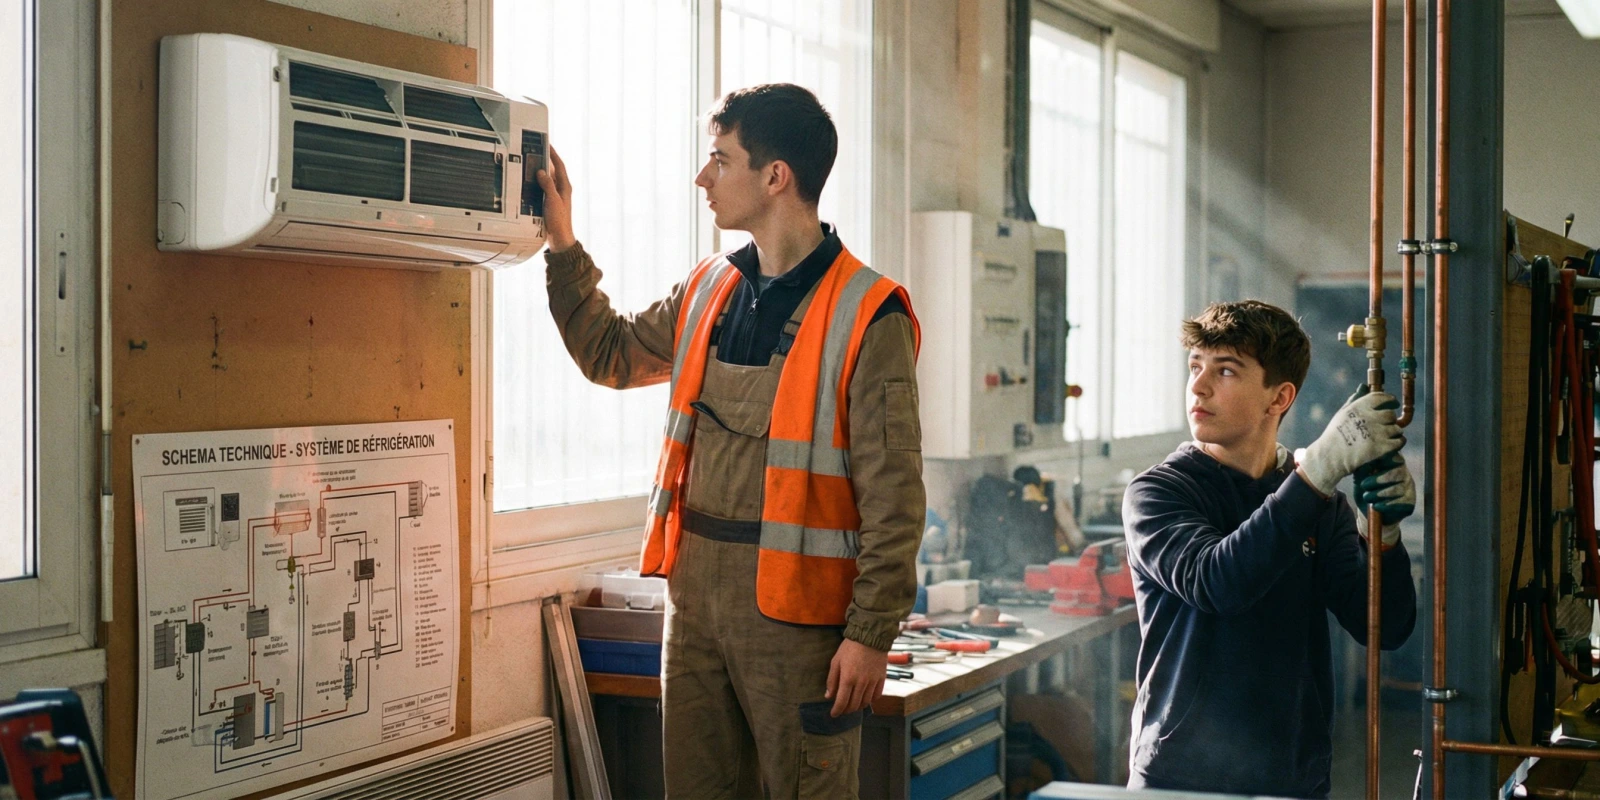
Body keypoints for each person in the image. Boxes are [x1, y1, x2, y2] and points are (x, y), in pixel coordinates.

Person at [534, 83, 926, 799]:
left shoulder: (870, 314)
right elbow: (610, 354)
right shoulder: (707, 289)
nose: (702, 177)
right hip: (696, 609)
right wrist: (562, 241)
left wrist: (871, 634)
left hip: (800, 625)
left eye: (720, 159)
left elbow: (894, 501)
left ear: (775, 176)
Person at [1121, 300, 1418, 798]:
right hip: (1180, 779)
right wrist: (1318, 470)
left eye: (1225, 370)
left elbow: (1385, 627)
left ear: (1279, 397)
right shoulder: (1159, 492)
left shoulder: (1318, 503)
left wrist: (1381, 533)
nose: (1198, 386)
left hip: (1292, 778)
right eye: (1195, 367)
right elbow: (1219, 582)